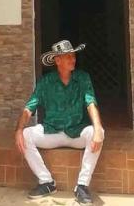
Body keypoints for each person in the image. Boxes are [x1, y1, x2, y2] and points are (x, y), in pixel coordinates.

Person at [14, 40, 104, 205]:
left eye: (74, 56)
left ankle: (82, 186)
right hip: (52, 131)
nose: (73, 59)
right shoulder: (46, 82)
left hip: (77, 132)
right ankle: (46, 182)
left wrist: (98, 128)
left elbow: (91, 102)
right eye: (68, 56)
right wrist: (19, 129)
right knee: (26, 135)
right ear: (57, 60)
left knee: (97, 132)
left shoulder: (83, 78)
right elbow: (29, 107)